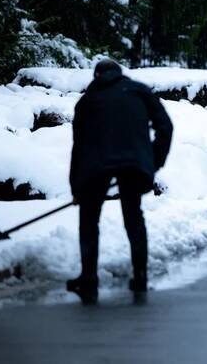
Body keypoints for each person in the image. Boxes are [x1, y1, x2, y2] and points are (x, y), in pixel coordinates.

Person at [67, 59, 173, 303]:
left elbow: (79, 147)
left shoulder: (87, 101)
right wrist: (154, 160)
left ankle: (89, 279)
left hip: (95, 165)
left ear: (97, 75)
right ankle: (140, 276)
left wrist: (77, 188)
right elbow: (165, 125)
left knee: (89, 219)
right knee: (133, 217)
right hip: (133, 163)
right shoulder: (139, 90)